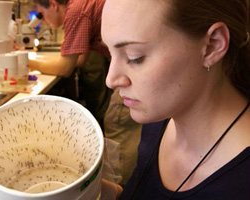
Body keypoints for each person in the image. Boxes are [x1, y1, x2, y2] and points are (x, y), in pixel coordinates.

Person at [101, 0, 250, 199]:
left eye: (134, 57)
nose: (110, 80)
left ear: (212, 46)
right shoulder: (160, 119)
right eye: (111, 55)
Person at [30, 0, 112, 130]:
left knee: (117, 122)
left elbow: (65, 68)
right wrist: (34, 59)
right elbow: (79, 60)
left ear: (53, 4)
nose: (43, 20)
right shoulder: (80, 6)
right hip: (132, 62)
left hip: (136, 65)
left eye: (42, 14)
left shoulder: (75, 12)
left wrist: (27, 62)